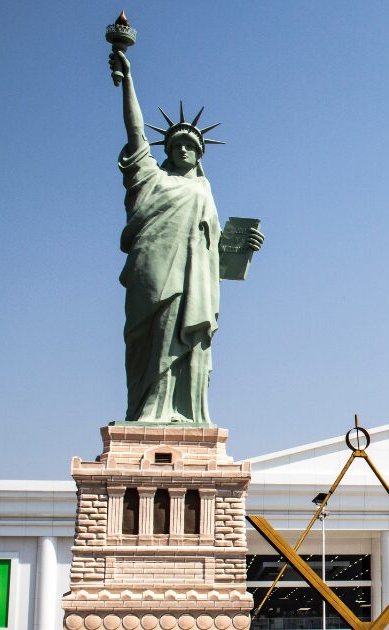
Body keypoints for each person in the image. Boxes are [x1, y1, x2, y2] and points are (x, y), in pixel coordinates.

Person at [108, 49, 263, 423]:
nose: (181, 149)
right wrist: (128, 80)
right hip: (154, 274)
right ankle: (148, 411)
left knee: (186, 342)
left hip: (192, 282)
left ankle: (185, 412)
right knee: (150, 343)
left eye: (190, 146)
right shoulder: (151, 179)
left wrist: (244, 249)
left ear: (199, 153)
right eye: (176, 145)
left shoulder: (205, 192)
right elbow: (135, 132)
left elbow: (213, 253)